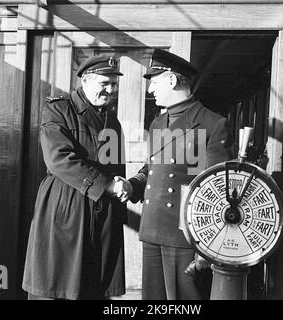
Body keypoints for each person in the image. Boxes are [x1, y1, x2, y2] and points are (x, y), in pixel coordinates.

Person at [117, 49, 234, 300]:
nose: (151, 90)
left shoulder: (212, 124)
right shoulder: (158, 123)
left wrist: (207, 245)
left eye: (154, 82)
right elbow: (151, 169)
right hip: (152, 229)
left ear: (171, 80)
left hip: (185, 236)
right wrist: (132, 185)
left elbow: (215, 191)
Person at [22, 55, 128, 300]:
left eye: (114, 84)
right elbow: (59, 159)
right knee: (56, 287)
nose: (110, 90)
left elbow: (115, 168)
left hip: (101, 214)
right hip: (65, 208)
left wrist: (120, 189)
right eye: (105, 83)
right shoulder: (59, 109)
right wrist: (108, 185)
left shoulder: (112, 121)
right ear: (86, 81)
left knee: (93, 288)